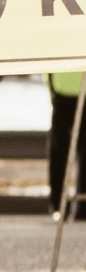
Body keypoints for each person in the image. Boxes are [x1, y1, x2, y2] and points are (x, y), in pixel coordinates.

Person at [47, 73, 85, 219]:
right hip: (63, 89)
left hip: (64, 87)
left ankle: (61, 206)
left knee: (60, 151)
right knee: (60, 151)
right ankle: (63, 207)